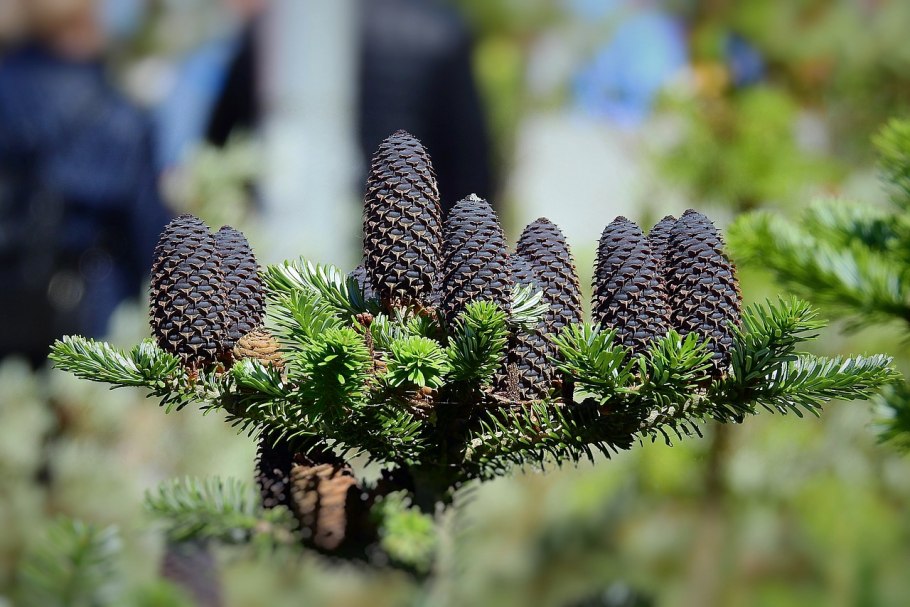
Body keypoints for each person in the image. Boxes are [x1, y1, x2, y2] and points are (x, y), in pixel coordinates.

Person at [161, 0, 493, 211]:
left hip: (292, 246)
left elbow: (218, 150)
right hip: (413, 250)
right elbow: (471, 167)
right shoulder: (441, 30)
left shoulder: (274, 28)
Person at [0, 0, 171, 366]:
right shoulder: (117, 116)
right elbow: (153, 245)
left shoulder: (7, 89)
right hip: (88, 318)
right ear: (86, 18)